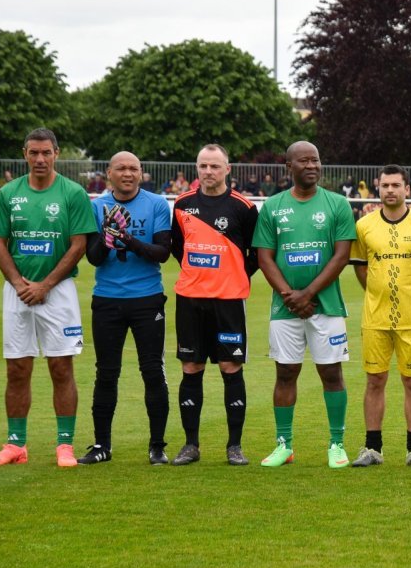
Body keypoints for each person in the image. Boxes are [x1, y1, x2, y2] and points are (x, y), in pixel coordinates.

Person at [0, 128, 95, 468]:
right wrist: (18, 282)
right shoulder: (8, 193)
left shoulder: (73, 193)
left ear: (57, 154)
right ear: (25, 154)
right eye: (34, 153)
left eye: (46, 152)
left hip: (57, 292)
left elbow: (79, 244)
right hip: (17, 291)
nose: (40, 159)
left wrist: (44, 285)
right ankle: (16, 444)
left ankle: (65, 445)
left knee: (61, 367)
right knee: (17, 368)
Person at [253, 142, 357, 469]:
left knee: (331, 372)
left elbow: (341, 256)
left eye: (316, 159)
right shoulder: (272, 207)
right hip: (285, 309)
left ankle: (337, 444)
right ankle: (284, 444)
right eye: (304, 160)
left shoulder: (338, 204)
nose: (311, 165)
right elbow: (264, 256)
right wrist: (290, 295)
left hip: (327, 307)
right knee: (285, 372)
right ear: (289, 166)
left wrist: (308, 293)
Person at [78, 151, 173, 465]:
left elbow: (161, 253)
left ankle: (157, 446)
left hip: (147, 300)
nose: (128, 173)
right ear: (109, 173)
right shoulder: (96, 207)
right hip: (107, 299)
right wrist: (107, 236)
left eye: (134, 168)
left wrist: (126, 238)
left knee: (152, 372)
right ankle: (101, 445)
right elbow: (93, 258)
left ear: (142, 173)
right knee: (106, 374)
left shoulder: (157, 204)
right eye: (121, 168)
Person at [169, 144, 259, 466]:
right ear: (197, 168)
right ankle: (190, 445)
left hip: (229, 303)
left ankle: (234, 446)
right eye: (203, 166)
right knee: (191, 368)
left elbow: (256, 254)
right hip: (190, 301)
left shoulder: (243, 208)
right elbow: (178, 248)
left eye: (215, 166)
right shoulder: (182, 205)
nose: (208, 172)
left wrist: (233, 275)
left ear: (227, 168)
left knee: (230, 368)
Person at [349, 165, 411, 468]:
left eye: (396, 185)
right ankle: (372, 448)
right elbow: (360, 266)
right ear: (378, 188)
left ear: (407, 189)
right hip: (375, 317)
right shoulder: (364, 226)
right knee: (375, 381)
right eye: (385, 185)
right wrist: (375, 291)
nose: (390, 191)